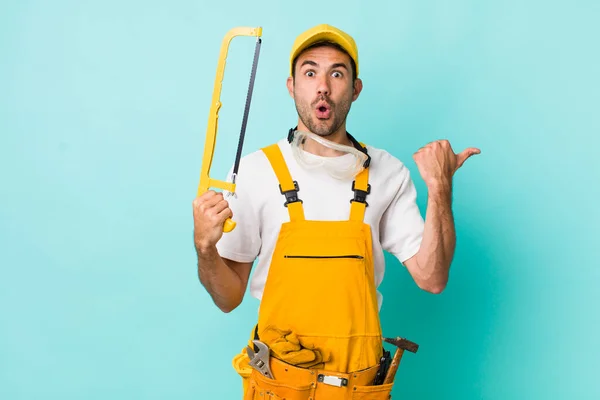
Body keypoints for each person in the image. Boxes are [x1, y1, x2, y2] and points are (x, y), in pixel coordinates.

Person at [192, 23, 480, 399]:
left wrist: (440, 188)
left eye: (337, 73)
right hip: (278, 385)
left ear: (355, 89)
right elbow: (227, 298)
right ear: (292, 86)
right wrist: (204, 249)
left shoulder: (387, 172)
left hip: (356, 387)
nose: (322, 86)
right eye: (310, 73)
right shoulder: (257, 171)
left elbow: (432, 278)